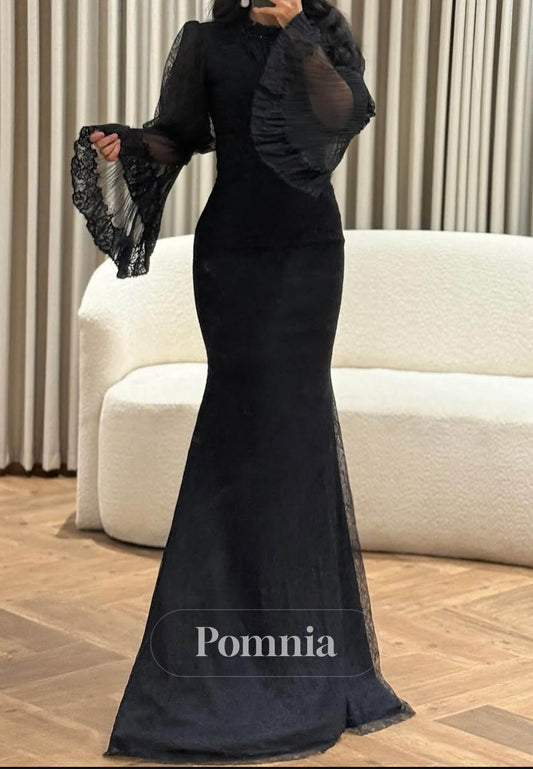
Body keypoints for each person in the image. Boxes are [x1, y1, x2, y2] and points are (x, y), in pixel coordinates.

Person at [70, 0, 415, 764]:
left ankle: (301, 645)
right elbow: (178, 137)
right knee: (237, 434)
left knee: (295, 432)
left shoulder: (320, 31)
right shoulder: (205, 42)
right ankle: (218, 643)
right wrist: (128, 142)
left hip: (309, 254)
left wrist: (296, 31)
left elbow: (343, 115)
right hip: (232, 258)